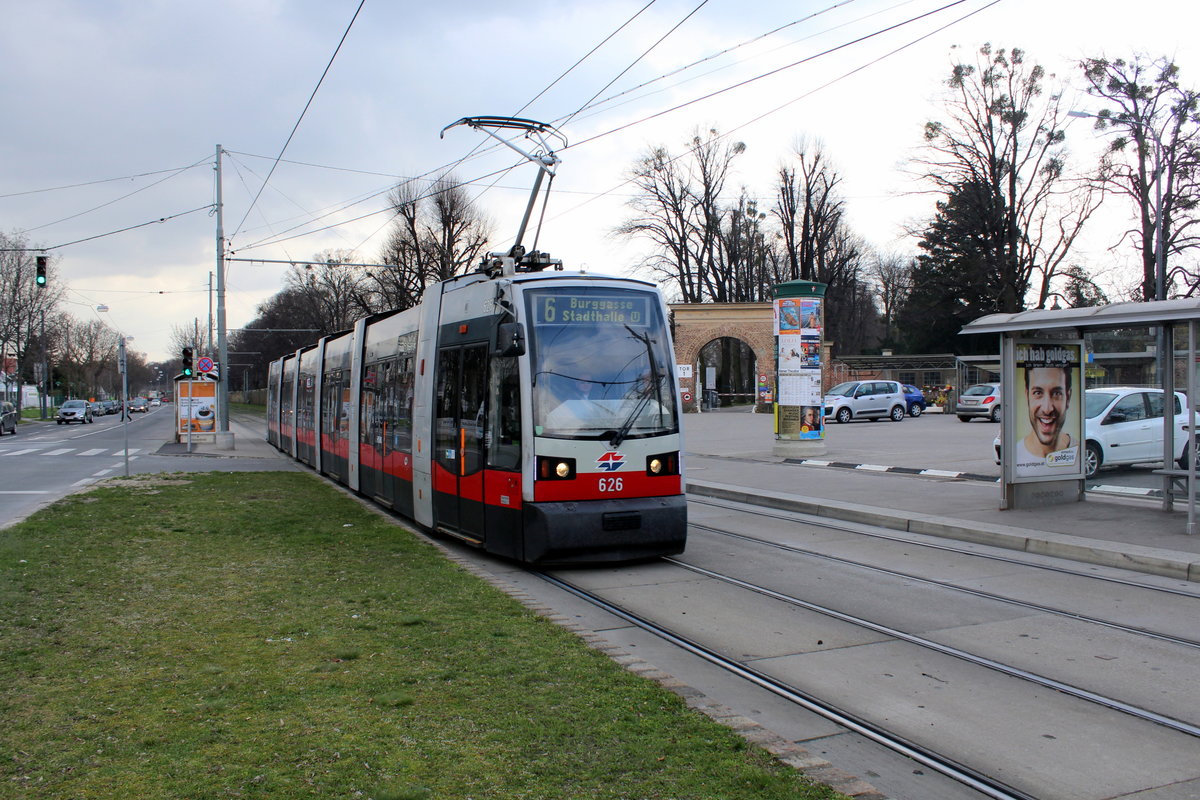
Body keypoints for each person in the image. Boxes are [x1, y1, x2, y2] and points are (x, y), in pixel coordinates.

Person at [1015, 365, 1077, 476]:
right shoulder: (1014, 456)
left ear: (1068, 398)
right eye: (1038, 393)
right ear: (1027, 396)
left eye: (1056, 393)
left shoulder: (1079, 453)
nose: (1047, 409)